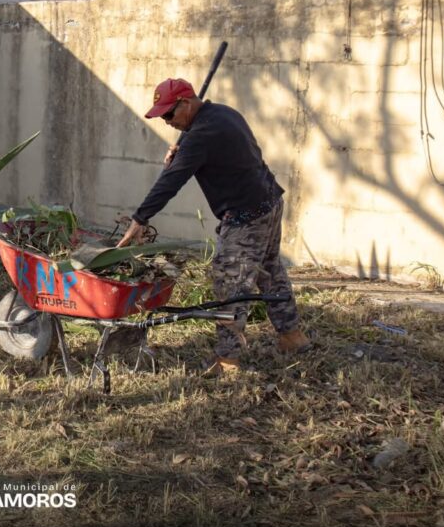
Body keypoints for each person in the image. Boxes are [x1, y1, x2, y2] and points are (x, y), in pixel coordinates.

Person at [115, 78, 311, 375]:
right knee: (270, 270)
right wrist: (183, 152)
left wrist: (141, 218)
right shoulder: (223, 114)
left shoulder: (200, 135)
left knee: (230, 283)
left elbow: (172, 181)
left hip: (246, 216)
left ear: (186, 103)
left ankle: (228, 360)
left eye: (169, 114)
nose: (167, 122)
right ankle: (292, 336)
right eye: (163, 117)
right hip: (269, 201)